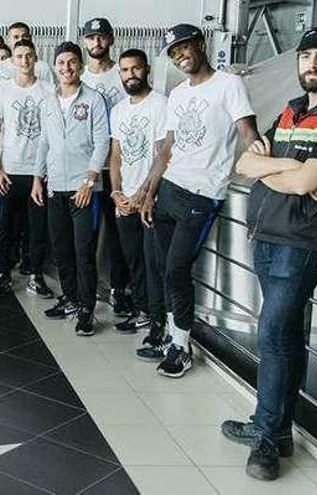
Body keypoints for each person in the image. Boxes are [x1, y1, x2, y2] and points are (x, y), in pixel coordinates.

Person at [221, 28, 317, 481]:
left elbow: (304, 184)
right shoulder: (291, 112)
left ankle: (265, 437)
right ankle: (277, 430)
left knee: (275, 333)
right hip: (267, 237)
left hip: (300, 244)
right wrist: (286, 166)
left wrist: (278, 170)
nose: (311, 63)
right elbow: (245, 164)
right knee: (285, 337)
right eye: (306, 55)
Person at [139, 24, 257, 378]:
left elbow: (248, 133)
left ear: (201, 45)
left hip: (203, 193)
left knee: (176, 270)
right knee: (162, 268)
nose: (180, 56)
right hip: (170, 189)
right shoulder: (177, 94)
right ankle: (171, 336)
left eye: (184, 47)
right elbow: (166, 148)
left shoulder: (229, 84)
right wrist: (149, 192)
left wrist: (266, 171)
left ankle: (181, 345)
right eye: (173, 53)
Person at [32, 41, 109, 337]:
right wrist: (38, 177)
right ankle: (71, 299)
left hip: (83, 189)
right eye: (61, 63)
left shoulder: (93, 99)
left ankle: (87, 308)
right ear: (54, 66)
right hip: (56, 187)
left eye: (72, 62)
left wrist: (90, 180)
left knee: (83, 251)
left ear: (80, 65)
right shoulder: (48, 102)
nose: (66, 68)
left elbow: (102, 142)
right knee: (62, 249)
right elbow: (44, 142)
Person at [107, 49, 168, 342]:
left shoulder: (161, 105)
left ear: (146, 71)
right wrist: (117, 193)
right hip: (125, 200)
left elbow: (161, 157)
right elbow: (116, 155)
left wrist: (143, 194)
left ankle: (159, 320)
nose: (130, 74)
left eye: (135, 69)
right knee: (133, 260)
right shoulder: (118, 110)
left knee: (152, 263)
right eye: (125, 70)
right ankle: (142, 311)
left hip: (149, 201)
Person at [0, 40, 54, 299]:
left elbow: (53, 134)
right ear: (12, 60)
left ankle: (36, 275)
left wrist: (45, 171)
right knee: (4, 226)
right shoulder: (1, 90)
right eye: (20, 56)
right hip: (10, 171)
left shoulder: (48, 90)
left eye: (29, 56)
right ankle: (1, 273)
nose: (24, 60)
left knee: (37, 228)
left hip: (39, 172)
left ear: (35, 58)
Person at [81, 17, 135, 317]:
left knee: (117, 233)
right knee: (86, 232)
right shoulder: (80, 76)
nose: (96, 43)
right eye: (91, 38)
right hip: (87, 167)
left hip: (118, 166)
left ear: (111, 39)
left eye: (101, 37)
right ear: (85, 42)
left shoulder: (122, 73)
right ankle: (83, 291)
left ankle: (118, 289)